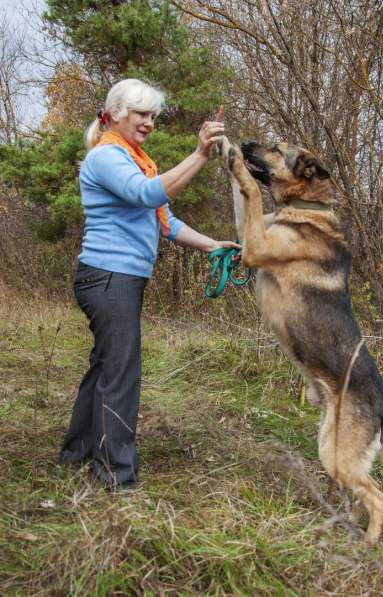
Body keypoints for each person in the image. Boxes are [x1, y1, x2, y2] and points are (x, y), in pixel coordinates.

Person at [58, 78, 237, 489]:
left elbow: (165, 220)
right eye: (141, 114)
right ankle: (116, 474)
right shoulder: (107, 156)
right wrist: (198, 154)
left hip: (116, 280)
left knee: (106, 367)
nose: (149, 123)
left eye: (153, 116)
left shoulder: (136, 158)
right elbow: (144, 195)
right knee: (122, 373)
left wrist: (212, 245)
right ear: (116, 113)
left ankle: (77, 454)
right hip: (109, 279)